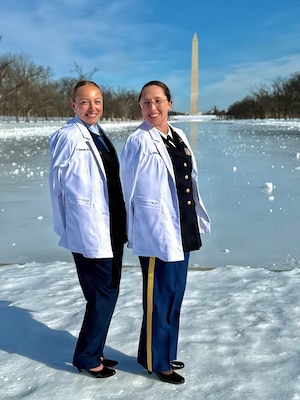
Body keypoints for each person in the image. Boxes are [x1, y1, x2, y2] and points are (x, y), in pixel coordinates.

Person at [120, 80, 210, 385]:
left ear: (169, 103)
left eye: (157, 101)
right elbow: (127, 189)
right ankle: (155, 361)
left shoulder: (178, 135)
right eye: (146, 102)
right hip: (156, 232)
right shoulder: (138, 140)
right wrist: (134, 230)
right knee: (158, 297)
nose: (152, 107)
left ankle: (166, 350)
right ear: (140, 106)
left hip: (182, 226)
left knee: (175, 294)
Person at [49, 80, 127, 379]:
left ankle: (96, 348)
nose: (92, 108)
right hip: (90, 228)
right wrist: (70, 226)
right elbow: (57, 187)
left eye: (97, 101)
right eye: (84, 102)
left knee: (105, 292)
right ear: (73, 105)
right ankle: (86, 356)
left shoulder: (98, 134)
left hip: (112, 226)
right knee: (103, 294)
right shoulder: (68, 136)